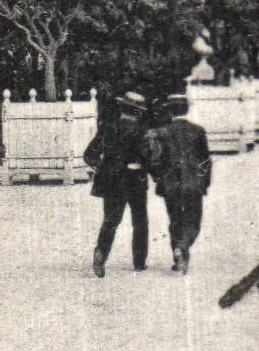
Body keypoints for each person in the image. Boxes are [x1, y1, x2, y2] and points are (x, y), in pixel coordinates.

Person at [85, 92, 152, 277]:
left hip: (112, 180)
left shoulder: (107, 128)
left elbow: (89, 155)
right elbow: (148, 158)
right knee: (140, 222)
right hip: (136, 181)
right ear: (138, 112)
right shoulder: (142, 132)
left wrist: (103, 167)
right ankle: (139, 262)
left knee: (110, 221)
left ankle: (100, 253)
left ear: (122, 108)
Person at [146, 94, 211, 275]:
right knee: (193, 220)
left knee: (175, 220)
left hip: (170, 184)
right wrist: (205, 182)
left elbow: (154, 160)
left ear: (170, 111)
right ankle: (183, 247)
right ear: (187, 109)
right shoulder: (198, 131)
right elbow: (206, 160)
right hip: (193, 182)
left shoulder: (161, 133)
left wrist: (158, 178)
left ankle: (178, 254)